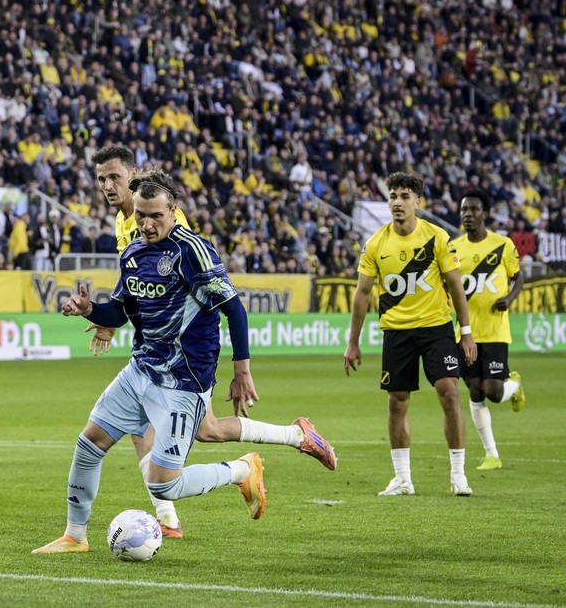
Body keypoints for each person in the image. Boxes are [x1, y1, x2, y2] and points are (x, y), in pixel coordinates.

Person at [80, 154, 336, 540]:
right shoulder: (124, 222)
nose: (107, 186)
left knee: (159, 427)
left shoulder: (170, 227)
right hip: (157, 347)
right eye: (101, 178)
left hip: (184, 347)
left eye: (114, 177)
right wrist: (112, 316)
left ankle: (173, 512)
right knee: (206, 429)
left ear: (133, 176)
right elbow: (139, 287)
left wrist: (237, 365)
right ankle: (296, 437)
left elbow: (195, 291)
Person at [33, 171, 269, 555]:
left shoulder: (193, 250)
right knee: (89, 443)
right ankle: (75, 536)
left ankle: (242, 470)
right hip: (142, 368)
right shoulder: (133, 253)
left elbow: (234, 309)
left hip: (183, 379)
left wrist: (241, 370)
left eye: (156, 215)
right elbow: (121, 312)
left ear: (173, 211)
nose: (146, 224)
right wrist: (89, 309)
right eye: (141, 215)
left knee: (164, 484)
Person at [344, 172, 477, 496]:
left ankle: (458, 475)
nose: (397, 202)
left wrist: (466, 332)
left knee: (449, 391)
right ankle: (403, 479)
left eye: (405, 196)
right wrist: (353, 342)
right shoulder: (376, 243)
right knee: (397, 401)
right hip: (396, 332)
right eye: (393, 196)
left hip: (435, 328)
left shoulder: (437, 237)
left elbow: (455, 285)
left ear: (418, 202)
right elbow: (362, 294)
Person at [450, 190, 528, 470]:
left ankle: (514, 386)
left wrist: (510, 297)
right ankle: (491, 455)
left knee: (493, 391)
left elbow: (518, 276)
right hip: (466, 333)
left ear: (485, 213)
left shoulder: (502, 245)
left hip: (495, 331)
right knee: (475, 390)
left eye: (473, 209)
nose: (467, 215)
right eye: (464, 210)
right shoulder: (453, 249)